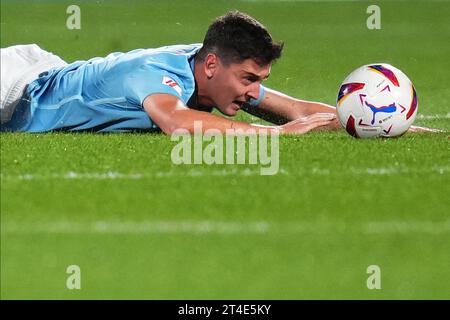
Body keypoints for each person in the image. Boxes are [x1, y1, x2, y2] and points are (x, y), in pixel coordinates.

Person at [0, 11, 435, 134]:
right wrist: (276, 136)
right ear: (213, 65)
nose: (255, 92)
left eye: (258, 80)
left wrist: (382, 125)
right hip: (15, 89)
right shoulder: (155, 74)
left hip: (45, 72)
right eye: (249, 79)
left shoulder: (213, 76)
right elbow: (177, 122)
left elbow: (297, 108)